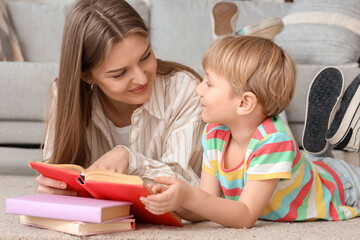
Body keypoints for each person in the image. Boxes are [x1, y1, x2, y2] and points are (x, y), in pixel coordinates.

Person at [140, 35, 360, 228]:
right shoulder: (214, 133)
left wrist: (189, 195)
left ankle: (340, 139)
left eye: (209, 83)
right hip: (307, 170)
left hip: (342, 185)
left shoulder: (273, 141)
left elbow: (245, 215)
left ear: (244, 103)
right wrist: (175, 202)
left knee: (312, 165)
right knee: (305, 164)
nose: (198, 89)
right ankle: (318, 151)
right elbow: (207, 204)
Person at [37, 0, 204, 196]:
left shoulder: (184, 90)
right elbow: (58, 169)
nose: (141, 78)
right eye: (119, 73)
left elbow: (191, 187)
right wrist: (54, 187)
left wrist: (129, 159)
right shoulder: (64, 95)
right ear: (87, 75)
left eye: (145, 57)